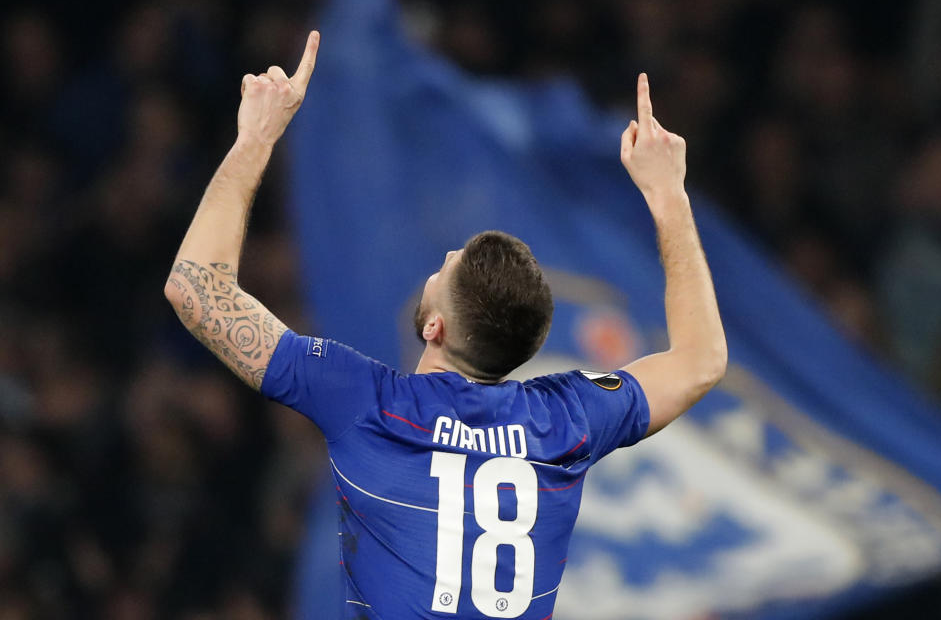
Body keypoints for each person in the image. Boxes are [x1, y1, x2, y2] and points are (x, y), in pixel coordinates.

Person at [164, 31, 727, 620]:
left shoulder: (365, 400)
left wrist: (256, 137)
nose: (434, 270)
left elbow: (195, 288)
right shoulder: (566, 420)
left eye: (442, 269)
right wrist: (668, 196)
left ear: (434, 326)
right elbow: (701, 359)